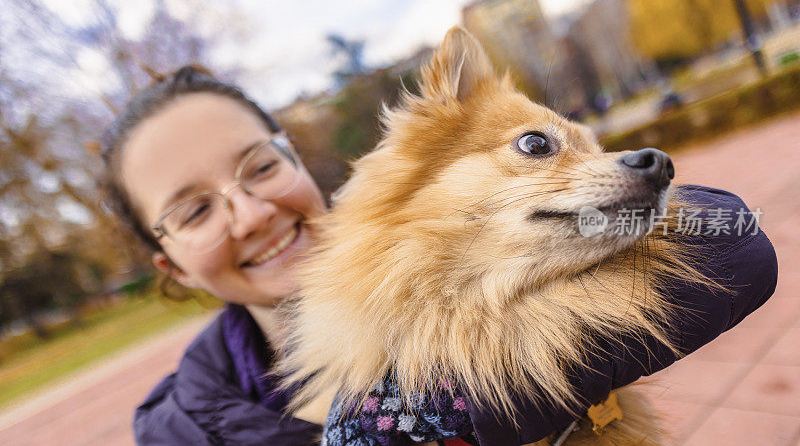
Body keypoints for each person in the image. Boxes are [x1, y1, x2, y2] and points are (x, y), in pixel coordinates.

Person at [101, 66, 778, 445]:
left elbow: (734, 240)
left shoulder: (514, 241)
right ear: (172, 266)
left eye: (259, 167)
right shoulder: (178, 434)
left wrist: (426, 409)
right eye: (193, 211)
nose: (250, 213)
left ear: (295, 159)